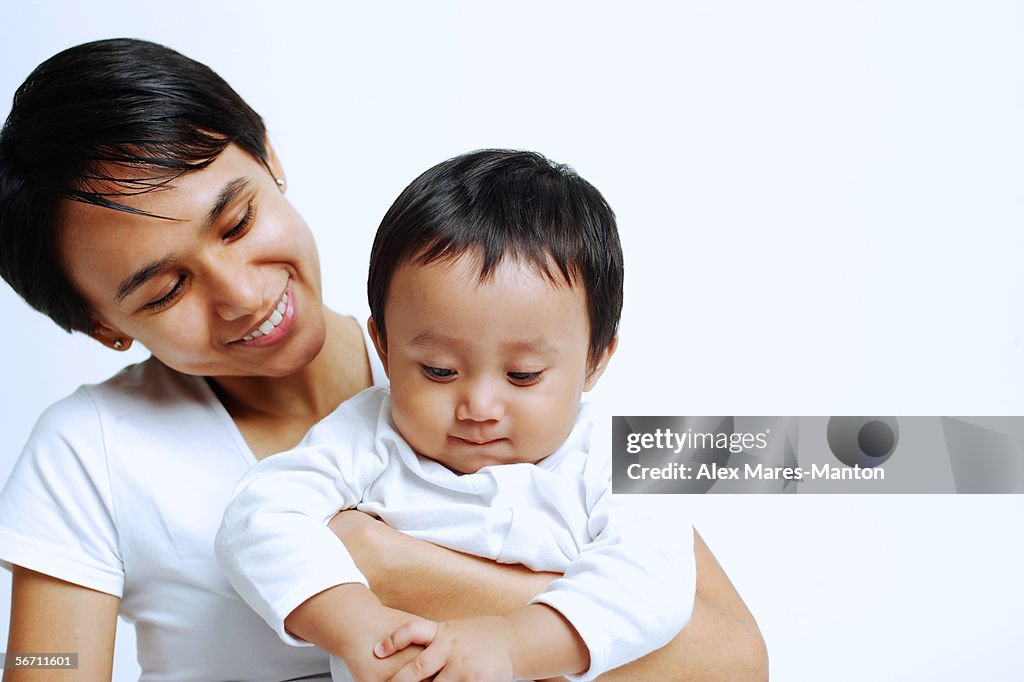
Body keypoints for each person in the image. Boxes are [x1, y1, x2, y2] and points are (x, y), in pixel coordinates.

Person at [0, 38, 767, 681]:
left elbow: (733, 660)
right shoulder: (88, 452)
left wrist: (390, 564)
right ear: (102, 325)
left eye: (236, 222)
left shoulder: (475, 325)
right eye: (166, 288)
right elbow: (48, 666)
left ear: (270, 155)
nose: (240, 293)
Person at [217, 150, 695, 682]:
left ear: (594, 360)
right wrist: (359, 627)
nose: (479, 409)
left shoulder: (614, 454)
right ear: (385, 348)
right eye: (440, 371)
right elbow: (258, 517)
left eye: (523, 376)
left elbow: (654, 580)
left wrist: (514, 644)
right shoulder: (368, 435)